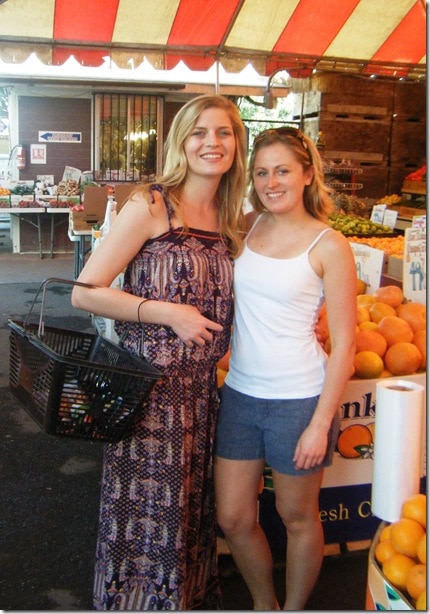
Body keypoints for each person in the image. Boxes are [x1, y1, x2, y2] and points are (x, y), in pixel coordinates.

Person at [71, 94, 247, 610]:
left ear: (237, 143)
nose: (212, 143)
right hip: (149, 393)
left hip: (203, 395)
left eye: (223, 132)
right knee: (147, 512)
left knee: (189, 510)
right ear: (181, 143)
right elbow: (85, 292)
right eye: (199, 132)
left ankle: (181, 599)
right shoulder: (152, 204)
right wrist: (166, 312)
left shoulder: (233, 215)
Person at [214, 126, 357, 610]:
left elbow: (346, 344)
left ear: (307, 174)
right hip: (240, 394)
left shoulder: (329, 244)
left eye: (282, 171)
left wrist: (320, 423)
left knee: (297, 517)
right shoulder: (246, 225)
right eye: (261, 173)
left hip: (299, 400)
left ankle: (292, 609)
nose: (270, 183)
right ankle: (264, 603)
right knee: (233, 517)